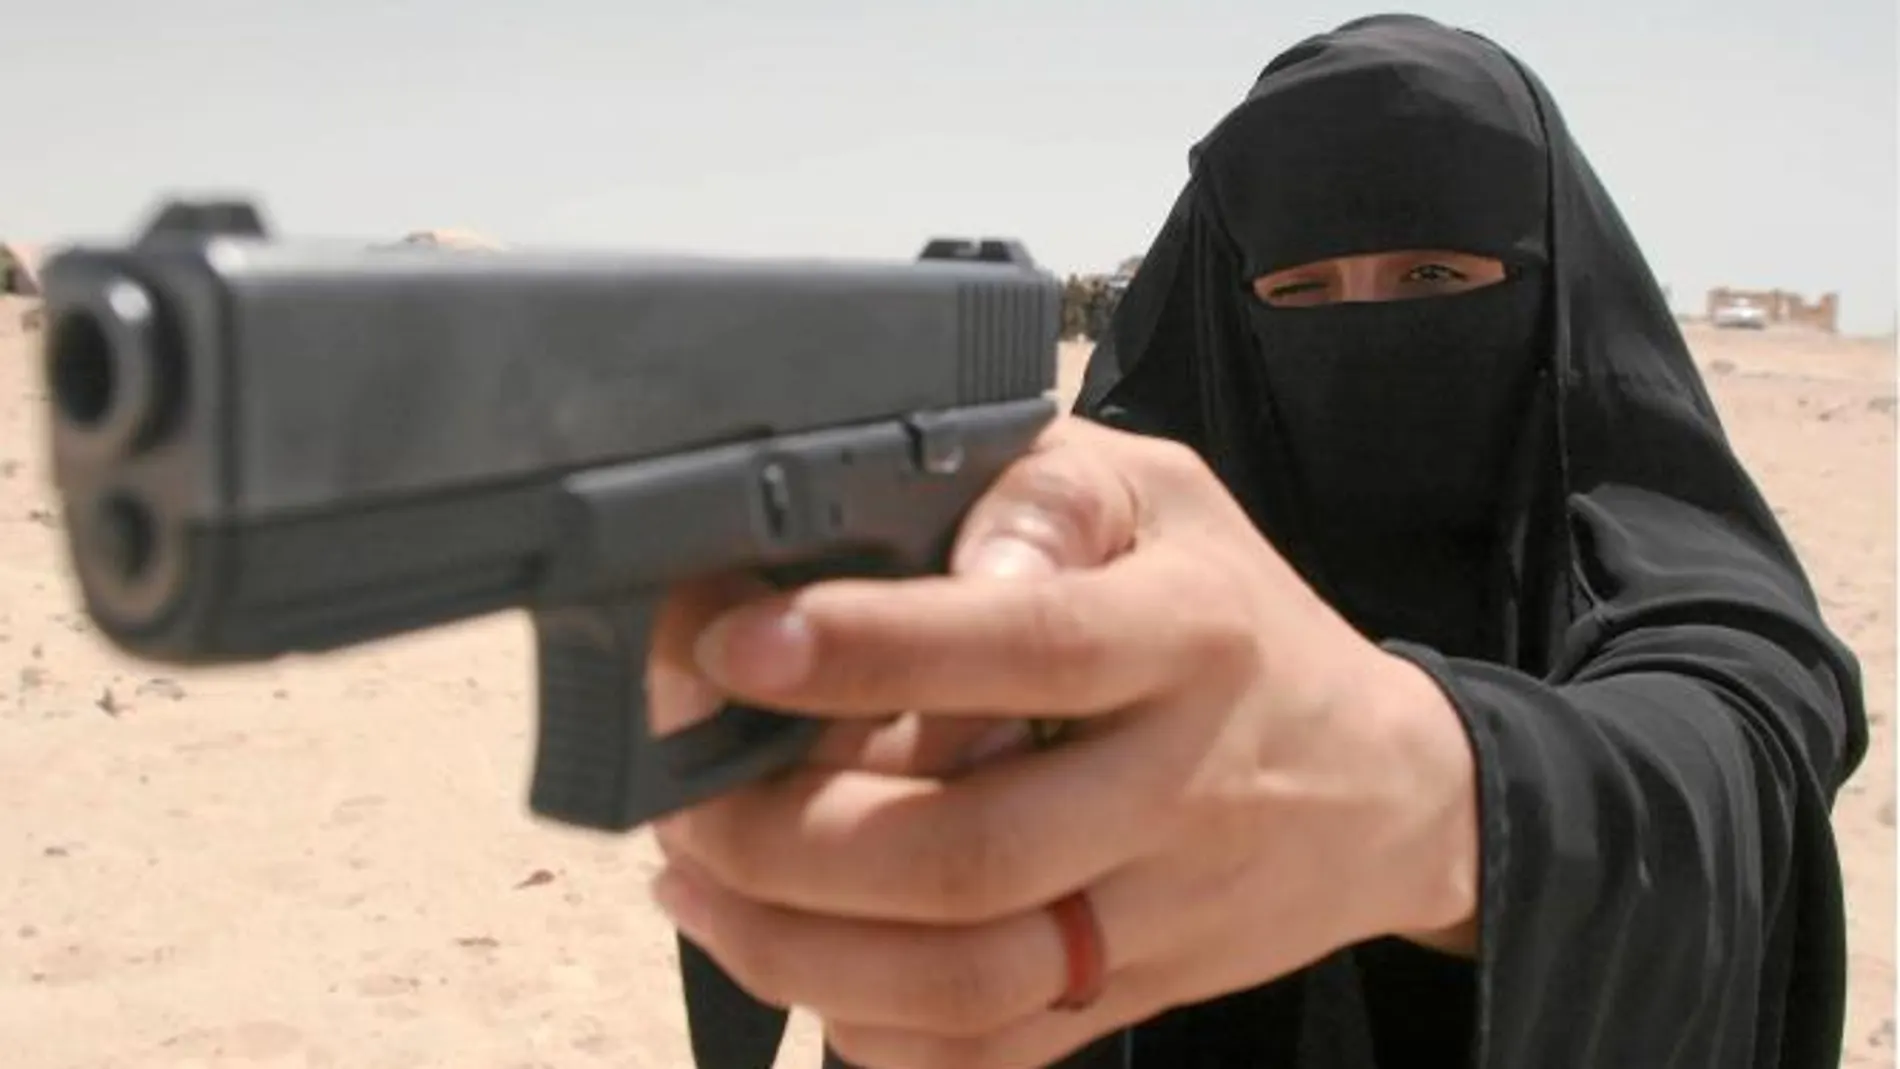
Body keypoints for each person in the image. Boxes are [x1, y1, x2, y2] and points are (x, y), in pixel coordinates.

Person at [642, 14, 1868, 1069]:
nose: (1366, 328)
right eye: (1301, 293)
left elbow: (1730, 738)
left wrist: (1430, 795)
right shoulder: (1109, 566)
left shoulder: (1652, 558)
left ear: (1546, 290)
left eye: (1436, 275)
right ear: (1233, 313)